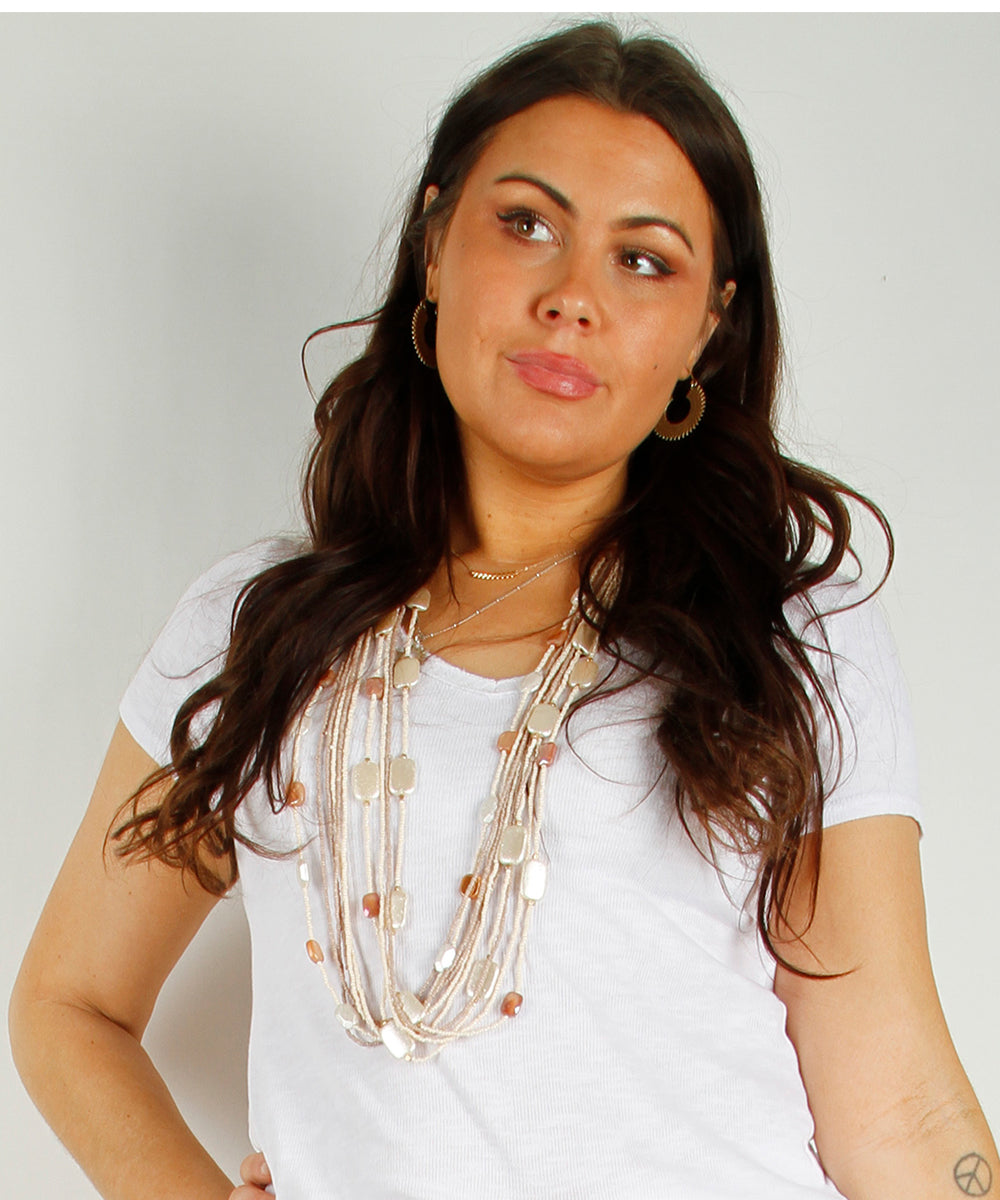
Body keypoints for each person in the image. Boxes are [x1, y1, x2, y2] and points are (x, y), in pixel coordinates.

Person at [9, 20, 997, 1200]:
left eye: (644, 261)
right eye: (526, 224)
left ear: (708, 328)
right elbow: (70, 1004)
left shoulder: (787, 631)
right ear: (435, 246)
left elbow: (898, 1105)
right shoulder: (252, 632)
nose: (572, 298)